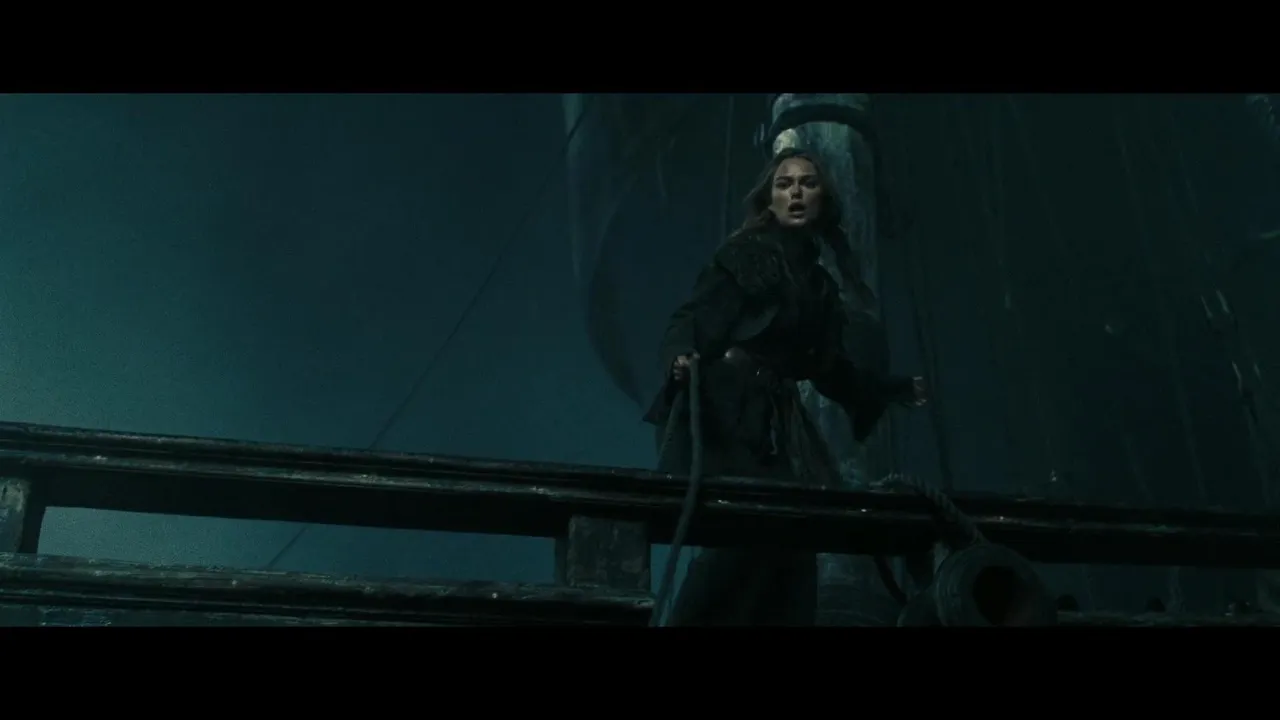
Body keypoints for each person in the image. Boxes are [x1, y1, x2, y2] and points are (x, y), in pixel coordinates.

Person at [643, 147, 927, 626]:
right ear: (769, 200)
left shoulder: (818, 287)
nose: (795, 192)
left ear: (822, 201)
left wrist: (890, 389)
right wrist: (680, 356)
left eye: (807, 183)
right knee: (747, 536)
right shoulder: (745, 256)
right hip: (725, 413)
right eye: (784, 183)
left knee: (795, 544)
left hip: (773, 425)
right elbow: (691, 317)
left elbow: (828, 368)